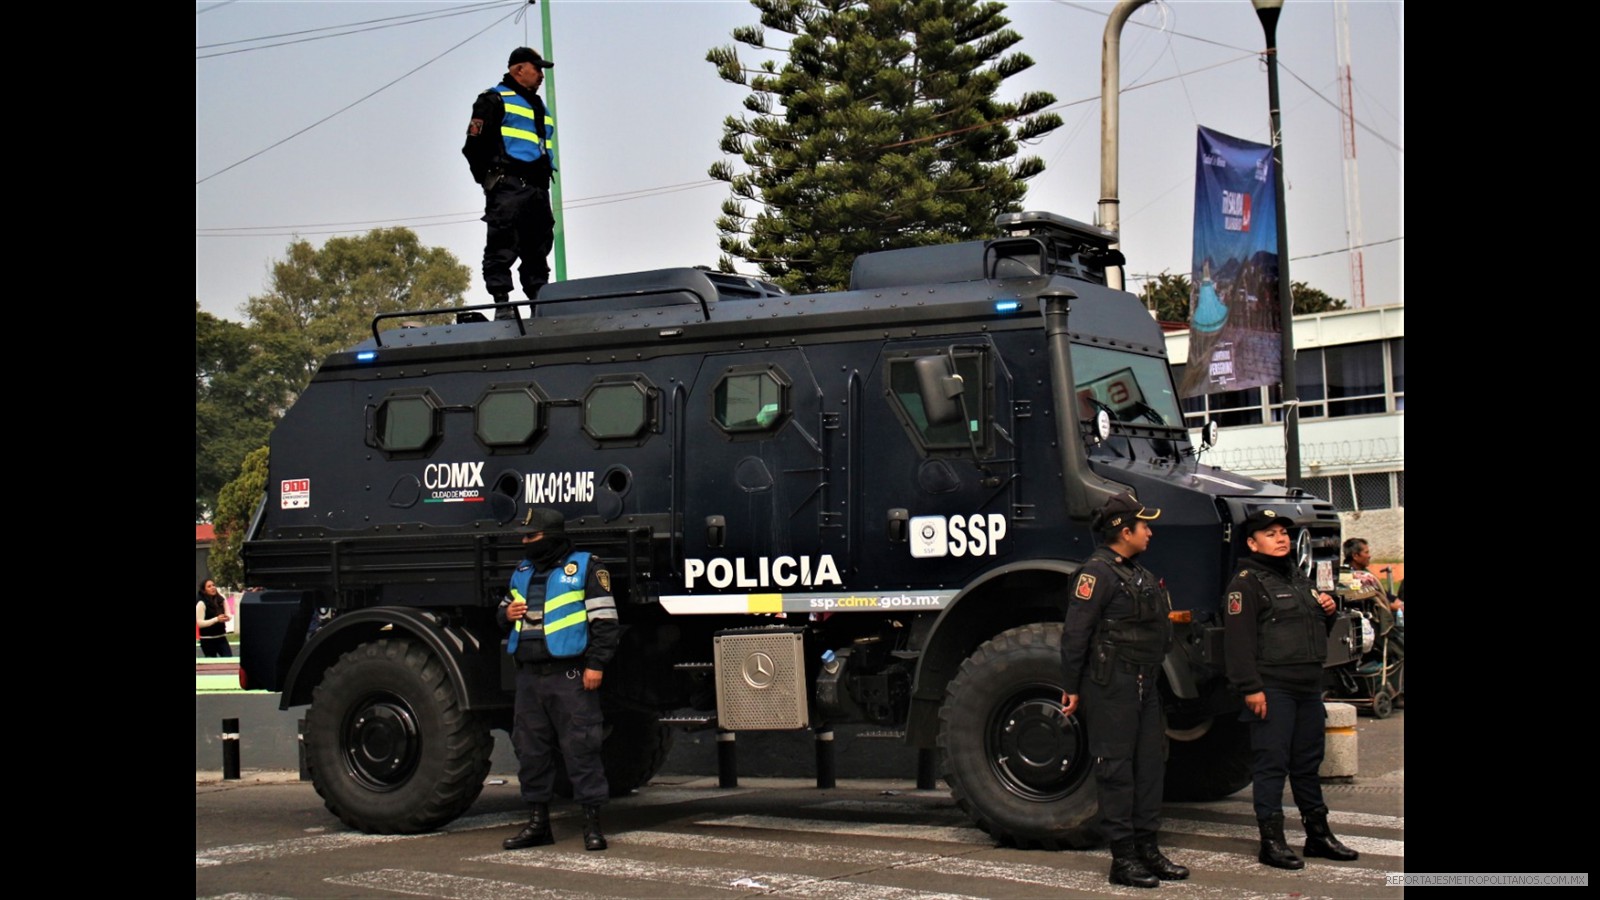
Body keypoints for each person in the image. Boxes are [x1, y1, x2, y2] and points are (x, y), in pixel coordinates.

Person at [1060, 492, 1188, 888]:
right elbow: (1075, 633)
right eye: (1143, 525)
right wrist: (1071, 687)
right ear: (1123, 531)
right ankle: (1124, 858)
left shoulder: (1135, 572)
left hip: (1144, 681)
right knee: (1116, 769)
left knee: (1149, 765)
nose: (1150, 531)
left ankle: (1148, 849)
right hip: (1111, 683)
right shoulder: (1096, 573)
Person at [1225, 510, 1360, 869]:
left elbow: (1309, 627)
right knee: (1271, 766)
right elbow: (1238, 644)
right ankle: (1272, 842)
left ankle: (1318, 835)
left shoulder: (1299, 578)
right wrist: (1251, 688)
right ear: (1253, 543)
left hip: (1307, 688)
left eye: (1283, 533)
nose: (1281, 538)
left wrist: (1329, 611)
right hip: (1273, 689)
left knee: (1307, 764)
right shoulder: (1246, 582)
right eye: (1270, 534)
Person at [499, 507, 618, 852]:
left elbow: (605, 622)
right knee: (531, 752)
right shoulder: (521, 572)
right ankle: (538, 825)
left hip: (569, 676)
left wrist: (595, 665)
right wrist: (505, 613)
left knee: (581, 749)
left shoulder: (585, 568)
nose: (526, 542)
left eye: (532, 536)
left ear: (551, 536)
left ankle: (592, 826)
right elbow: (504, 611)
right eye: (523, 536)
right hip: (529, 678)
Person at [462, 47, 558, 321]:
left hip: (537, 190)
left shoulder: (538, 105)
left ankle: (539, 305)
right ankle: (502, 304)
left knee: (537, 249)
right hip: (508, 186)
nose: (541, 75)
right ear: (519, 70)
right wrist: (490, 181)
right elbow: (473, 146)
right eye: (536, 69)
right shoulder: (492, 100)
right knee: (502, 245)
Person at [196, 579, 232, 657]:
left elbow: (228, 613)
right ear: (204, 590)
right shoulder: (201, 603)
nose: (212, 587)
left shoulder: (221, 598)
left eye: (213, 585)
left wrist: (227, 617)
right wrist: (216, 619)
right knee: (212, 664)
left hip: (221, 637)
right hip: (207, 639)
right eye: (209, 586)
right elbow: (199, 623)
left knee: (228, 658)